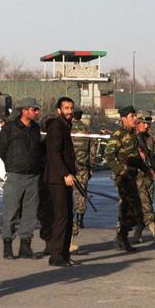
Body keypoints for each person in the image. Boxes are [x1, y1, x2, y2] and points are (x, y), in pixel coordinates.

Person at [0, 97, 43, 260]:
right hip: (16, 175)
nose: (37, 112)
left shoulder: (36, 128)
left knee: (30, 213)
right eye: (34, 109)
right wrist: (12, 163)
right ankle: (7, 246)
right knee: (11, 211)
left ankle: (25, 246)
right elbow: (0, 148)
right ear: (24, 110)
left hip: (33, 176)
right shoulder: (10, 128)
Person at [44, 97, 79, 267]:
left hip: (65, 178)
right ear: (59, 110)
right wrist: (65, 173)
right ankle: (56, 255)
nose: (70, 111)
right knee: (61, 216)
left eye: (71, 108)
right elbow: (54, 153)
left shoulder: (65, 126)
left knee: (68, 216)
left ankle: (64, 255)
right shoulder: (56, 126)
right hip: (57, 179)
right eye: (66, 108)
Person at [104, 106, 144, 252]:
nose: (135, 119)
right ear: (123, 118)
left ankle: (121, 236)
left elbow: (136, 156)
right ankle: (122, 238)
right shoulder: (118, 135)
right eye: (131, 116)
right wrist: (120, 170)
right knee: (127, 207)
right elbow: (108, 155)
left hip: (132, 176)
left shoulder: (133, 135)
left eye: (135, 116)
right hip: (123, 178)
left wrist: (147, 170)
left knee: (132, 208)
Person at [134, 111, 155, 244]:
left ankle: (137, 233)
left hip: (150, 177)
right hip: (137, 177)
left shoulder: (150, 140)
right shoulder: (132, 139)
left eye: (148, 124)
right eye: (144, 124)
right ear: (137, 123)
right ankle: (154, 229)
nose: (146, 127)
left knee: (147, 204)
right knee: (145, 204)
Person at [69, 107, 95, 254]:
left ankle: (73, 222)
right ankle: (80, 217)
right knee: (81, 194)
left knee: (68, 196)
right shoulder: (87, 130)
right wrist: (91, 166)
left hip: (70, 167)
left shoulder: (68, 128)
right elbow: (92, 149)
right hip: (83, 167)